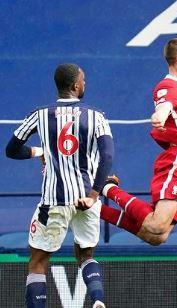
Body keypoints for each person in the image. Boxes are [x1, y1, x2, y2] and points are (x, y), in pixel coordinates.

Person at [5, 63, 112, 308]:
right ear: (75, 85)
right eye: (83, 80)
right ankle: (97, 300)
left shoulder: (40, 114)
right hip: (87, 198)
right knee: (85, 255)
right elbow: (106, 156)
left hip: (54, 201)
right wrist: (94, 195)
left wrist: (37, 151)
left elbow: (11, 150)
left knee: (38, 261)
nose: (85, 84)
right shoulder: (96, 116)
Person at [98, 38, 177, 245]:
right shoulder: (167, 86)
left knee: (158, 236)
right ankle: (107, 188)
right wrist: (159, 116)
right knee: (155, 225)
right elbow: (163, 106)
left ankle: (96, 208)